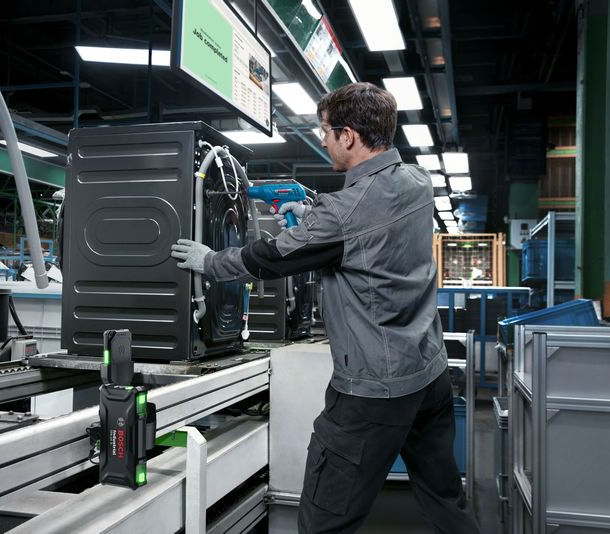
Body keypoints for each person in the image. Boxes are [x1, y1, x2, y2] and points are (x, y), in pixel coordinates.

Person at [170, 82, 480, 534]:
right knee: (445, 499)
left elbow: (272, 257)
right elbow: (367, 222)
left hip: (373, 390)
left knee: (324, 518)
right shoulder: (417, 182)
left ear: (349, 136)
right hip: (428, 374)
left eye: (326, 131)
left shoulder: (342, 214)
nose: (322, 138)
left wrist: (211, 262)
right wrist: (314, 210)